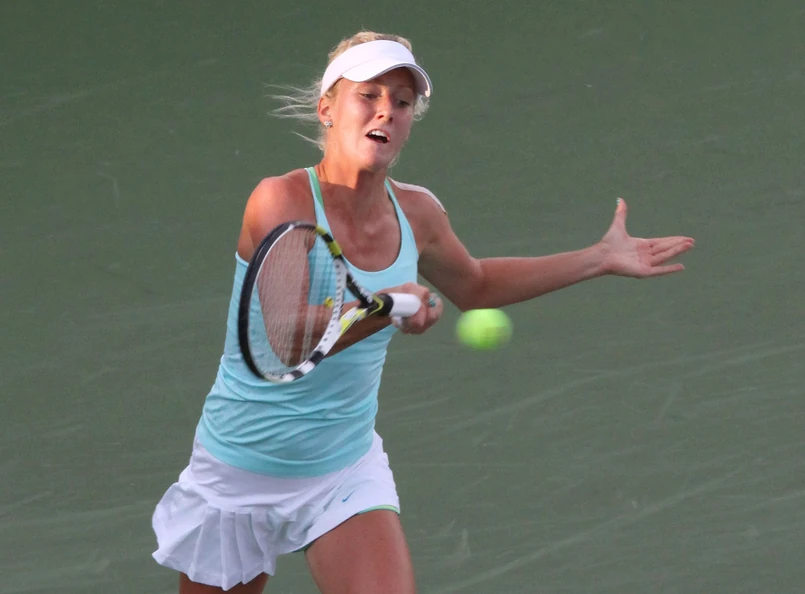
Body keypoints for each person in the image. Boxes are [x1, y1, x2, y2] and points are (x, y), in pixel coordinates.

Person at [152, 31, 694, 594]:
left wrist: (598, 258)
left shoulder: (419, 213)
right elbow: (287, 338)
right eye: (369, 95)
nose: (386, 110)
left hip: (342, 469)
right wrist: (387, 307)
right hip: (242, 466)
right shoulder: (280, 200)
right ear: (327, 109)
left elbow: (475, 284)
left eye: (402, 101)